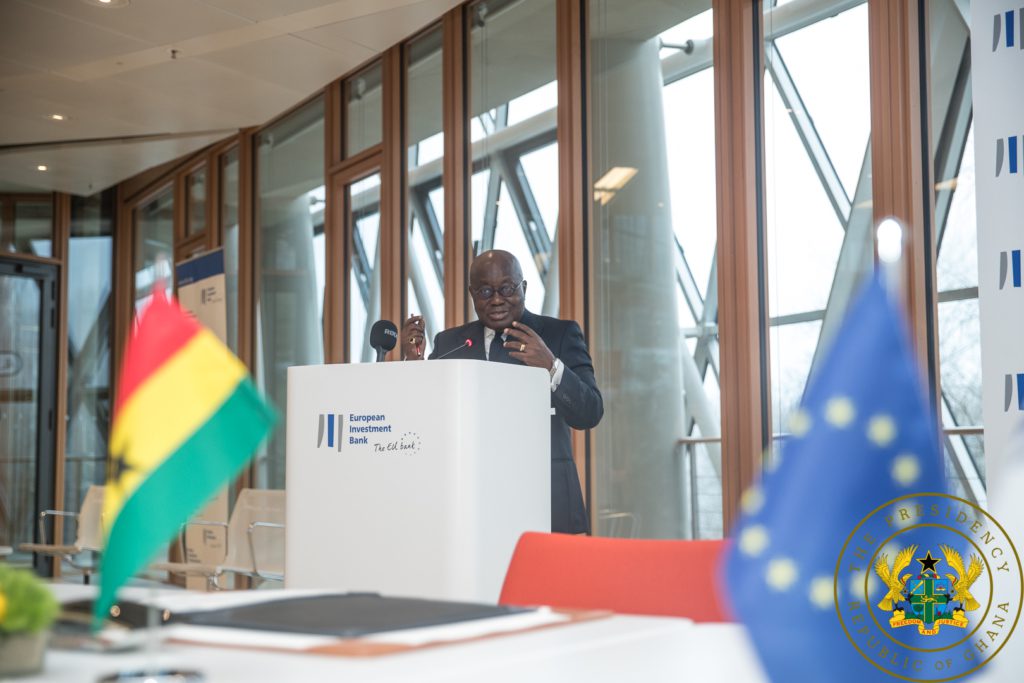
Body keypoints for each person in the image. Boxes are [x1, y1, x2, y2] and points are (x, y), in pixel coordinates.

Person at [400, 250, 603, 534]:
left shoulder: (559, 334)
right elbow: (425, 418)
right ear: (472, 294)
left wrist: (551, 365)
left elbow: (590, 412)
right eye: (485, 291)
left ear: (524, 288)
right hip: (470, 507)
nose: (496, 299)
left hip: (548, 503)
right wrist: (413, 366)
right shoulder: (449, 343)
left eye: (507, 289)